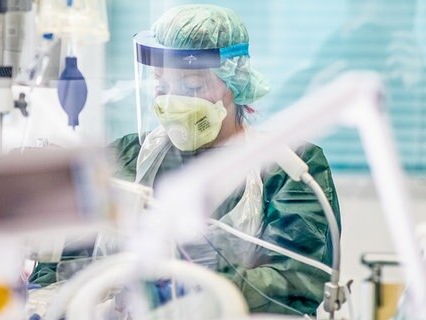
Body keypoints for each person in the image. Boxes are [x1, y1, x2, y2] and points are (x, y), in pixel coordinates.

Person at [110, 4, 341, 316]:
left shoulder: (290, 166)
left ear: (235, 81)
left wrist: (187, 289)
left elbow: (295, 282)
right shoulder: (128, 157)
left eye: (192, 85)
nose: (173, 100)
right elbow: (65, 259)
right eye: (161, 85)